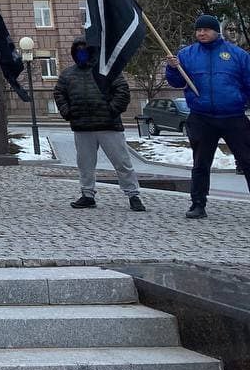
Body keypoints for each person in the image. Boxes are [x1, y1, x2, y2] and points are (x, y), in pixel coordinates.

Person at [165, 14, 250, 219]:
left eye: (206, 30)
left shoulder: (237, 54)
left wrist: (241, 100)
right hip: (202, 117)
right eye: (198, 30)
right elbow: (177, 83)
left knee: (247, 161)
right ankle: (198, 204)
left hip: (233, 116)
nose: (201, 33)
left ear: (216, 31)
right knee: (201, 163)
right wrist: (172, 68)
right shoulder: (186, 55)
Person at [53, 39, 145, 212]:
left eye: (84, 51)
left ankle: (133, 195)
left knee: (122, 162)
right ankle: (87, 194)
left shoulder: (107, 71)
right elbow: (59, 93)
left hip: (108, 125)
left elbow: (122, 91)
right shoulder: (67, 74)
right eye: (78, 51)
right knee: (85, 164)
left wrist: (111, 110)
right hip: (82, 126)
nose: (81, 54)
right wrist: (68, 111)